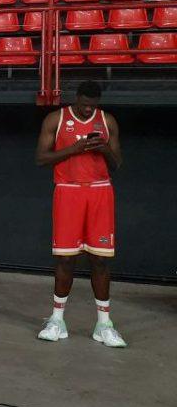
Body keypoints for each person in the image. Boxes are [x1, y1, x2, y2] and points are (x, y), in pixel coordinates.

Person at [33, 81, 125, 347]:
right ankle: (57, 321)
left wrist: (103, 148)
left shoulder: (107, 121)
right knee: (65, 259)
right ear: (77, 98)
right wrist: (74, 149)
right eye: (84, 104)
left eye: (92, 106)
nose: (87, 110)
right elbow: (41, 158)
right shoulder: (56, 119)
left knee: (100, 260)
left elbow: (117, 163)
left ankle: (104, 325)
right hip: (68, 191)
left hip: (100, 191)